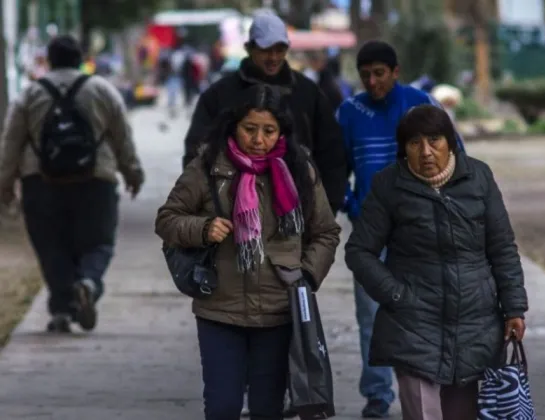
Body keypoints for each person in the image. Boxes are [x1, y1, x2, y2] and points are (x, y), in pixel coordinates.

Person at [155, 84, 341, 420]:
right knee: (223, 406)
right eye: (249, 129)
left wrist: (307, 277)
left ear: (281, 131)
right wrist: (202, 228)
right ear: (233, 126)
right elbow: (167, 219)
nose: (258, 140)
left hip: (279, 311)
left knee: (267, 409)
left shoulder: (300, 171)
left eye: (269, 131)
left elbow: (325, 232)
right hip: (219, 310)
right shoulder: (209, 166)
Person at [345, 104, 529, 420]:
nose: (426, 152)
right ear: (404, 149)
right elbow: (359, 251)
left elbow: (502, 248)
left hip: (475, 324)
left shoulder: (479, 177)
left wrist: (514, 307)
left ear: (451, 141)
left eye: (434, 140)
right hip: (413, 325)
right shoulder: (389, 185)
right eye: (414, 143)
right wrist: (397, 295)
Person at [336, 40, 465, 418]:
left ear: (396, 71)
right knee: (371, 315)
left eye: (380, 74)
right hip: (370, 233)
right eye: (365, 75)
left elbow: (456, 157)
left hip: (422, 230)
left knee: (426, 311)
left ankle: (431, 383)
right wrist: (349, 201)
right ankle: (377, 394)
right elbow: (332, 167)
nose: (372, 82)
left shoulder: (421, 105)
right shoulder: (349, 112)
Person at [0, 35, 144, 333]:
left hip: (40, 182)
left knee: (51, 246)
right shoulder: (103, 90)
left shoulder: (30, 94)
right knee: (99, 242)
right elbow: (122, 136)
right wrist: (132, 173)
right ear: (81, 59)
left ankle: (62, 310)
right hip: (96, 180)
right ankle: (89, 282)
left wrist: (5, 183)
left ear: (49, 60)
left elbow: (11, 141)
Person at [183, 12, 346, 215]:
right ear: (249, 48)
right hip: (232, 213)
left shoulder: (308, 94)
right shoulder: (219, 96)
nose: (273, 57)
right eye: (266, 50)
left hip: (298, 212)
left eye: (280, 49)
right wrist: (207, 208)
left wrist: (327, 207)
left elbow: (332, 154)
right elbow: (197, 153)